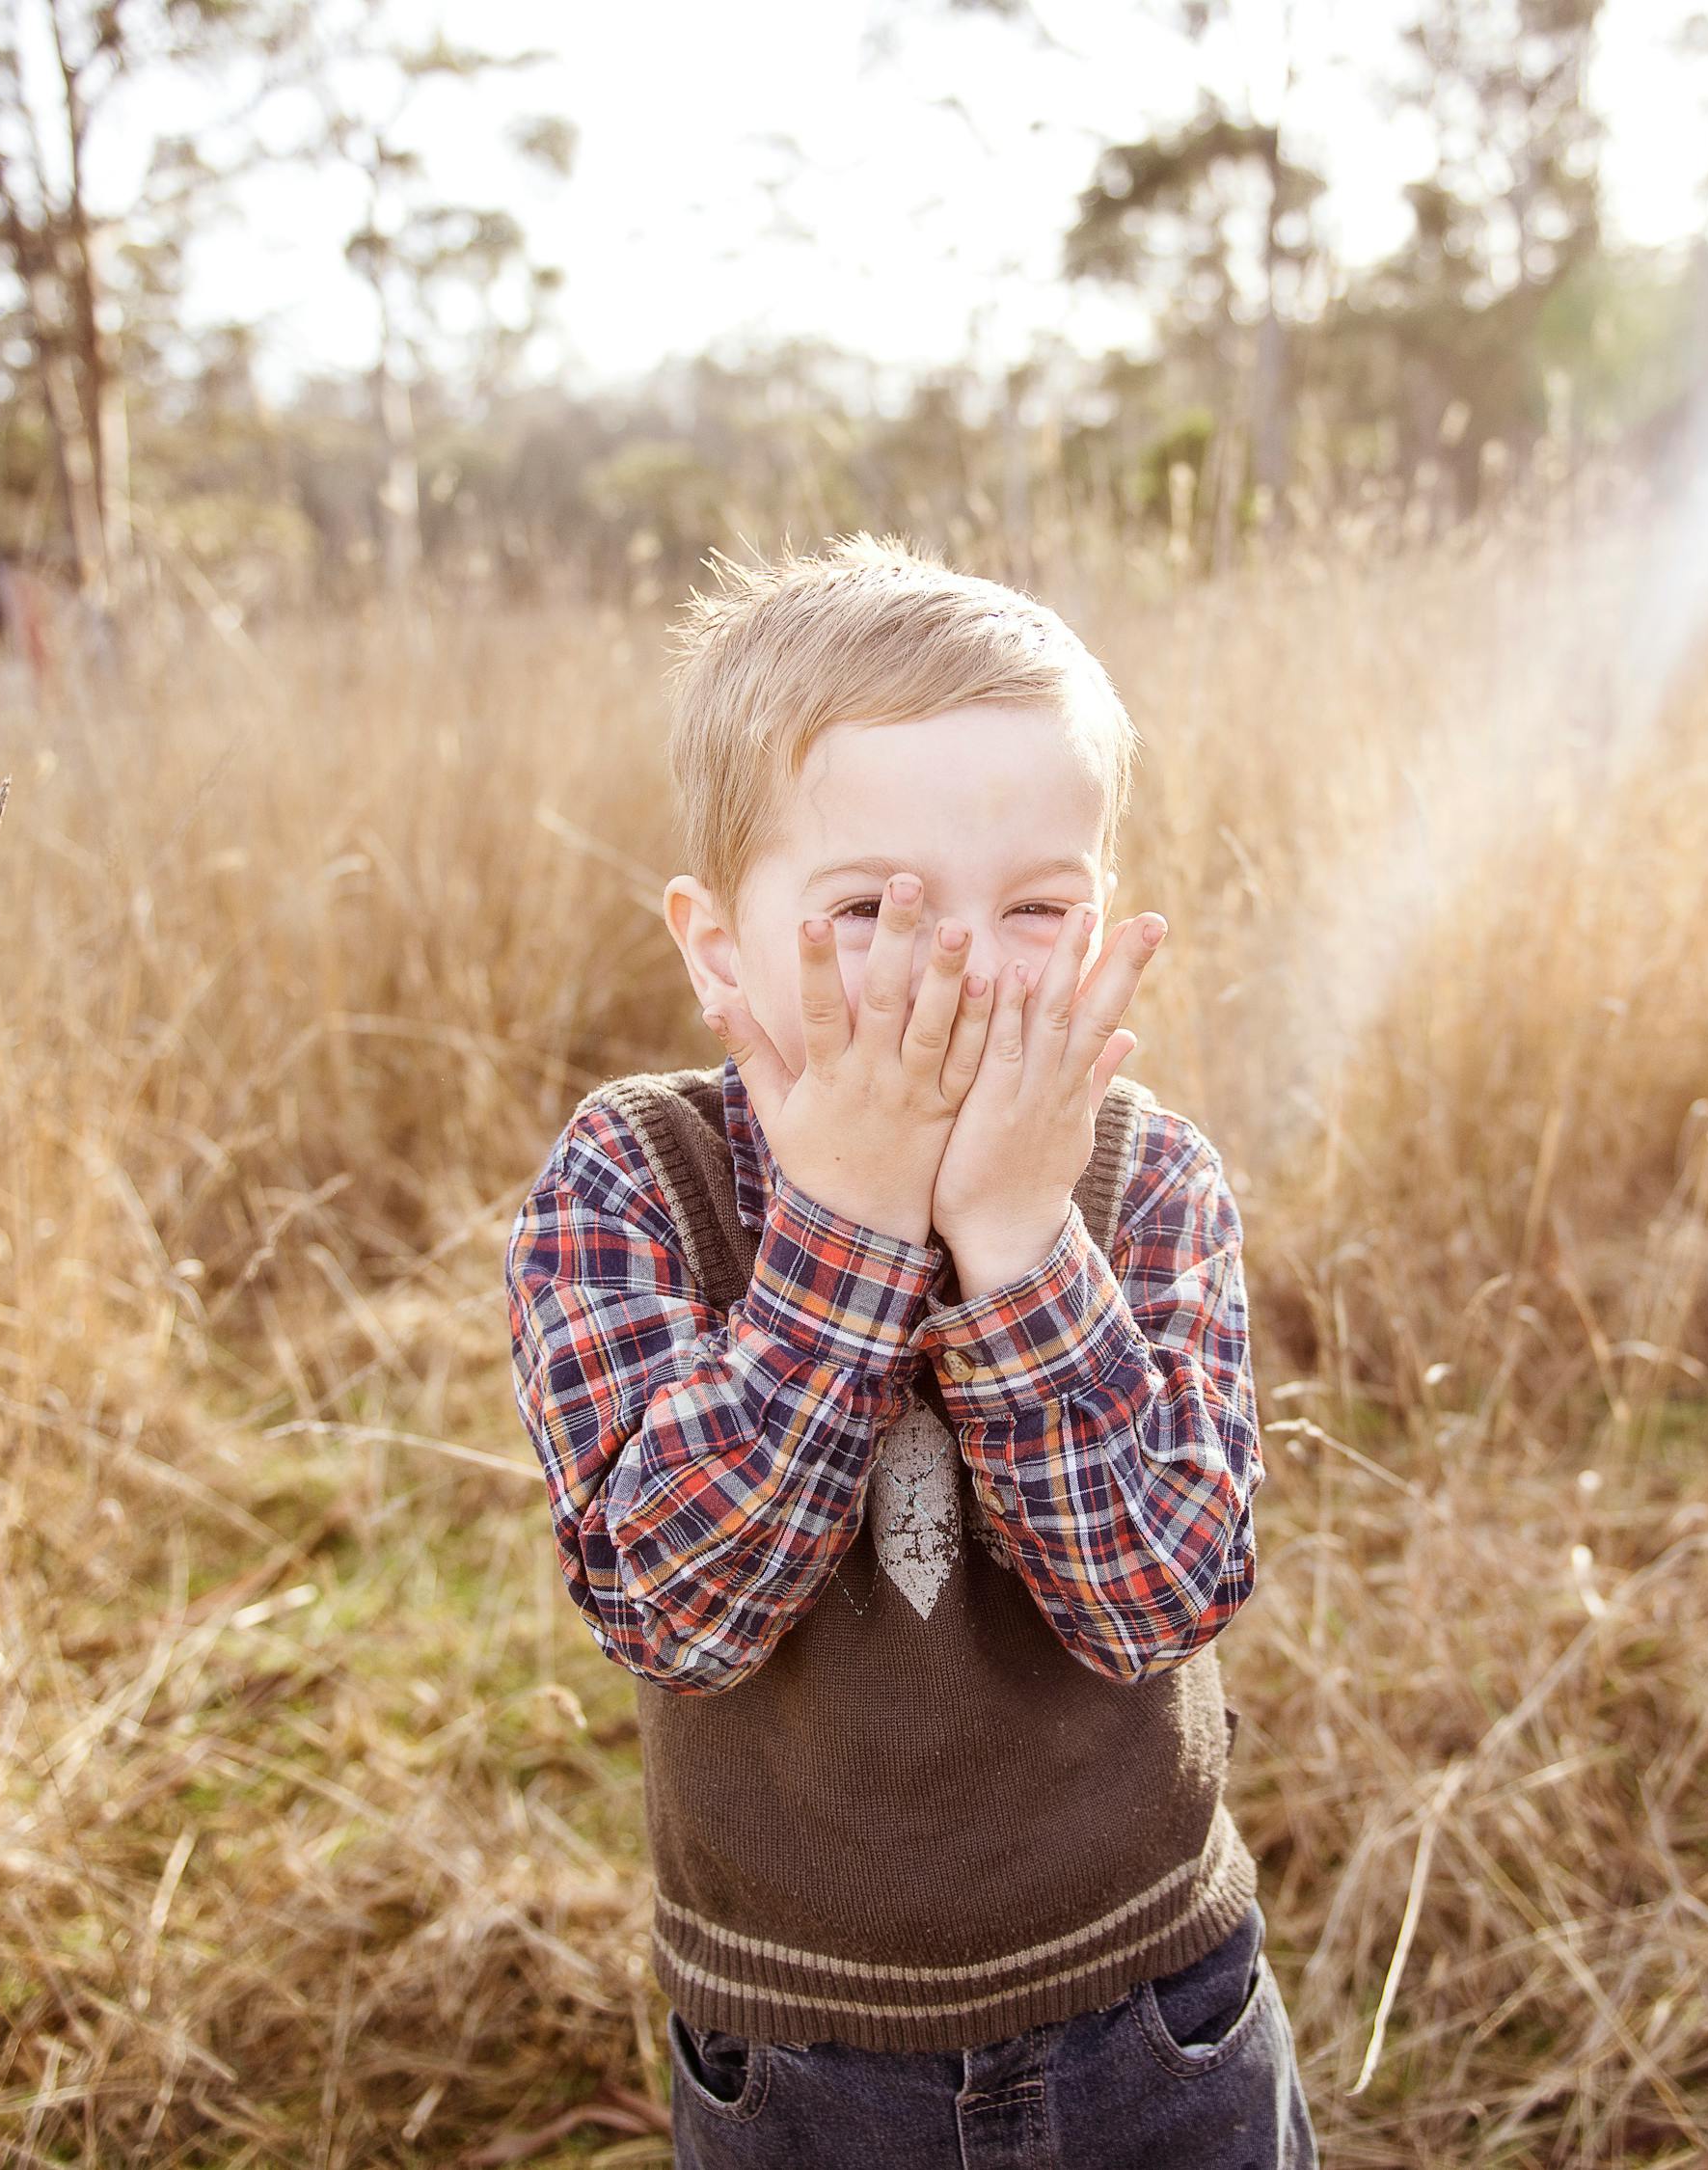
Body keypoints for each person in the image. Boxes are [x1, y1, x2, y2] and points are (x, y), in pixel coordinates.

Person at [502, 534, 1315, 2167]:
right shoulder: (630, 1180)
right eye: (871, 904)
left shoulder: (1144, 1177)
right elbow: (678, 1607)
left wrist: (1019, 1240)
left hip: (1156, 2008)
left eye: (1034, 905)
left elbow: (1161, 1592)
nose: (957, 966)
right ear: (718, 945)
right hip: (804, 2055)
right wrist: (850, 1230)